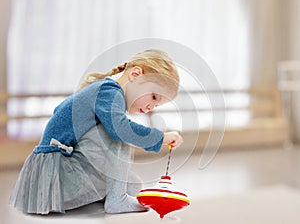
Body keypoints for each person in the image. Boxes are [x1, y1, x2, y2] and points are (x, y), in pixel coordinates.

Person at [9, 49, 183, 215]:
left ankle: (115, 196)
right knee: (117, 130)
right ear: (136, 74)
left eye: (156, 105)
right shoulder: (109, 92)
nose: (150, 107)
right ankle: (117, 199)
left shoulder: (105, 92)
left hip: (58, 175)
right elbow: (120, 130)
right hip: (57, 178)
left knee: (133, 185)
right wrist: (160, 138)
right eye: (153, 97)